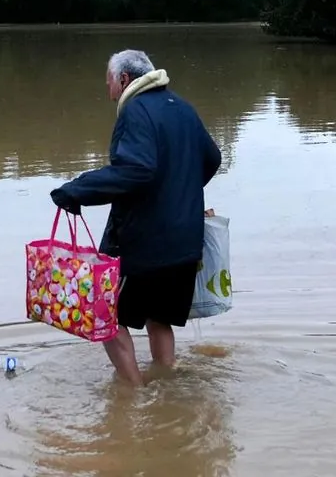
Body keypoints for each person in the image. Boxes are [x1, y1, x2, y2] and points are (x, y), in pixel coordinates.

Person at [50, 49, 222, 386]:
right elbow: (212, 158)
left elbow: (135, 171)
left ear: (125, 79)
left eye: (109, 83)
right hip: (187, 242)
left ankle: (134, 395)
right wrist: (179, 195)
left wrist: (76, 190)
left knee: (105, 316)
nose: (109, 91)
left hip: (146, 244)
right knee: (160, 317)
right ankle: (168, 390)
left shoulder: (136, 112)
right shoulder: (182, 108)